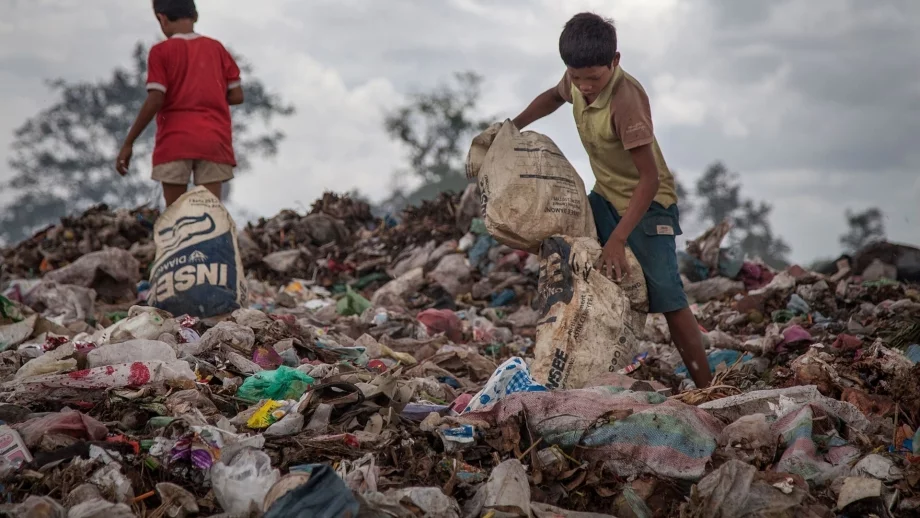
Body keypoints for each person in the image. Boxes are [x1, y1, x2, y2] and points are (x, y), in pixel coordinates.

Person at [511, 12, 712, 388]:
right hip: (605, 196)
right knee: (573, 258)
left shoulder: (625, 102)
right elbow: (552, 98)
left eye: (594, 78)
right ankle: (581, 372)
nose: (585, 86)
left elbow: (649, 180)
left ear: (615, 62)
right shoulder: (576, 80)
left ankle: (709, 388)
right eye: (577, 77)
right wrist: (513, 125)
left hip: (649, 207)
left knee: (668, 298)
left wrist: (618, 239)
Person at [116, 0, 244, 206]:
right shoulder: (216, 48)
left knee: (176, 215)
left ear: (162, 19)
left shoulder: (161, 52)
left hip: (175, 142)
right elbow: (237, 95)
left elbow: (156, 98)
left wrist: (129, 142)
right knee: (212, 214)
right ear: (195, 16)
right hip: (213, 140)